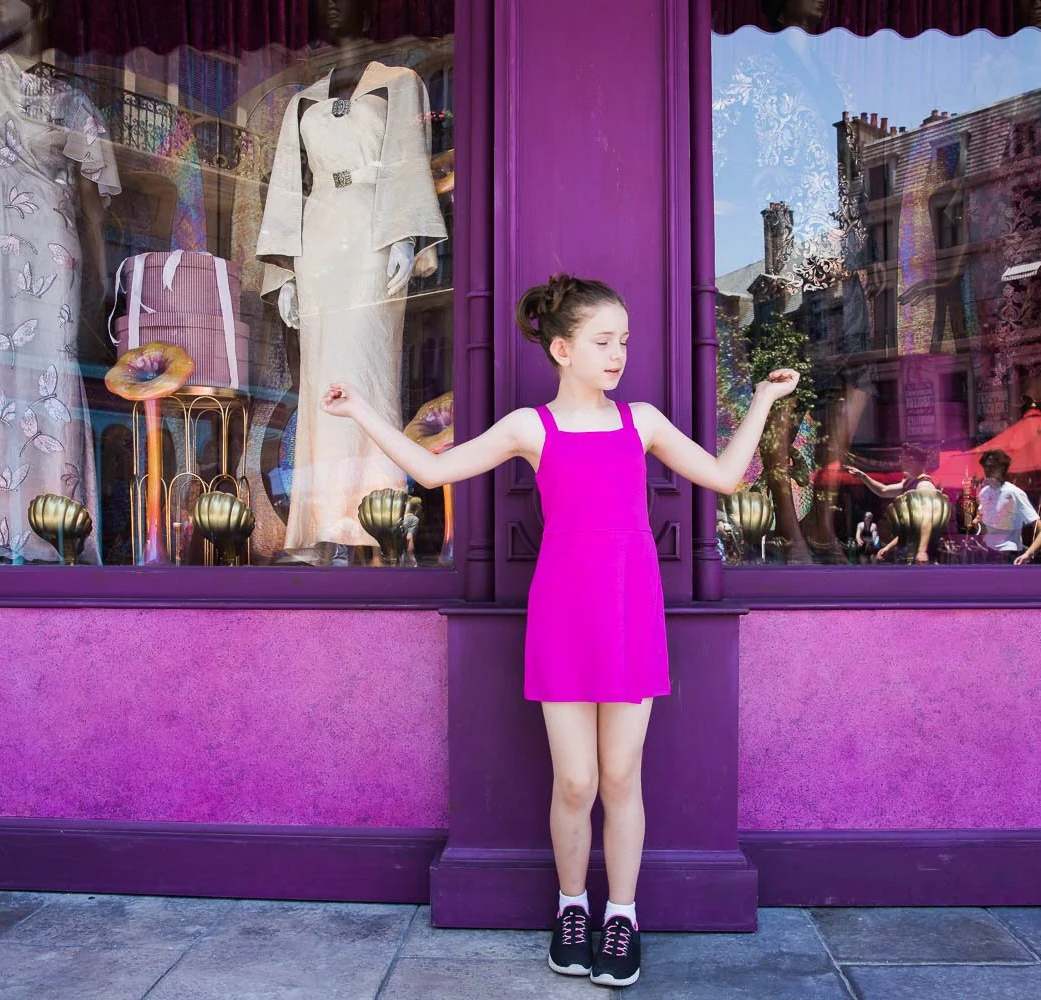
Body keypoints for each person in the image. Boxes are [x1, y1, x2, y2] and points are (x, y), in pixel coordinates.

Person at [320, 274, 800, 988]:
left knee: (620, 776)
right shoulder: (528, 427)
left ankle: (622, 918)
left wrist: (762, 398)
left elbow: (729, 477)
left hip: (632, 614)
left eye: (625, 342)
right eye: (604, 342)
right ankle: (572, 907)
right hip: (562, 617)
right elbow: (430, 467)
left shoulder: (641, 421)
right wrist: (360, 410)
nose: (618, 354)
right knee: (575, 782)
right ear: (562, 348)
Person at [846, 444, 941, 563]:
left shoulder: (924, 486)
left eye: (902, 457)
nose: (900, 460)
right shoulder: (909, 484)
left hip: (924, 557)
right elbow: (883, 491)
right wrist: (862, 476)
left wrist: (922, 551)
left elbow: (927, 520)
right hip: (911, 554)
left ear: (911, 459)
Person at [973, 449, 1040, 563]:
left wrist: (1028, 554)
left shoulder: (1013, 492)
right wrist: (977, 523)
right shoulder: (984, 493)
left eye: (993, 466)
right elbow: (984, 527)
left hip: (1009, 554)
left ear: (1002, 468)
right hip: (988, 553)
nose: (988, 470)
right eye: (986, 466)